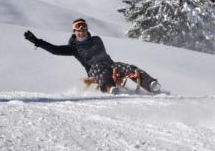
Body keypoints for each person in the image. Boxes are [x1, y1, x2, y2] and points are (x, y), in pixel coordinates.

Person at [23, 18, 160, 94]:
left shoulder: (97, 39)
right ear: (74, 31)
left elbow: (104, 57)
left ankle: (151, 84)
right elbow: (55, 50)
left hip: (110, 64)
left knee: (130, 67)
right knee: (102, 71)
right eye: (79, 29)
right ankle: (110, 88)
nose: (82, 31)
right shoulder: (73, 48)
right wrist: (37, 42)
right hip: (94, 70)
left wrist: (118, 72)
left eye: (84, 28)